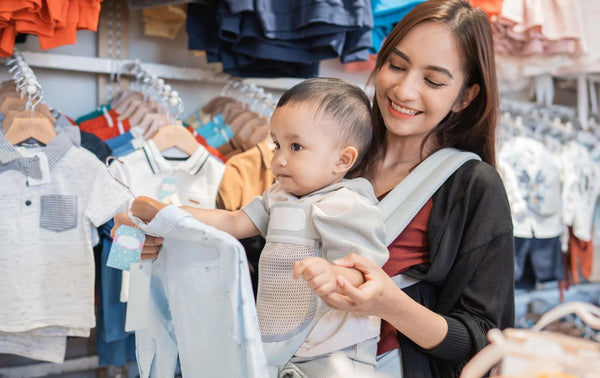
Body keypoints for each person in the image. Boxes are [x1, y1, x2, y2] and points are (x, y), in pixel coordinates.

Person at [115, 77, 389, 377]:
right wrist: (169, 213)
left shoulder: (348, 205)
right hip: (279, 349)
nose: (278, 159)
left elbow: (367, 271)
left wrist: (335, 274)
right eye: (276, 144)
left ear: (342, 159)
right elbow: (232, 221)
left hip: (334, 352)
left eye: (295, 147)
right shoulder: (278, 197)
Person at [304, 1, 515, 377]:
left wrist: (390, 304)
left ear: (465, 97)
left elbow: (486, 340)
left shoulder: (473, 186)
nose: (404, 90)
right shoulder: (327, 152)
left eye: (433, 81)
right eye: (396, 66)